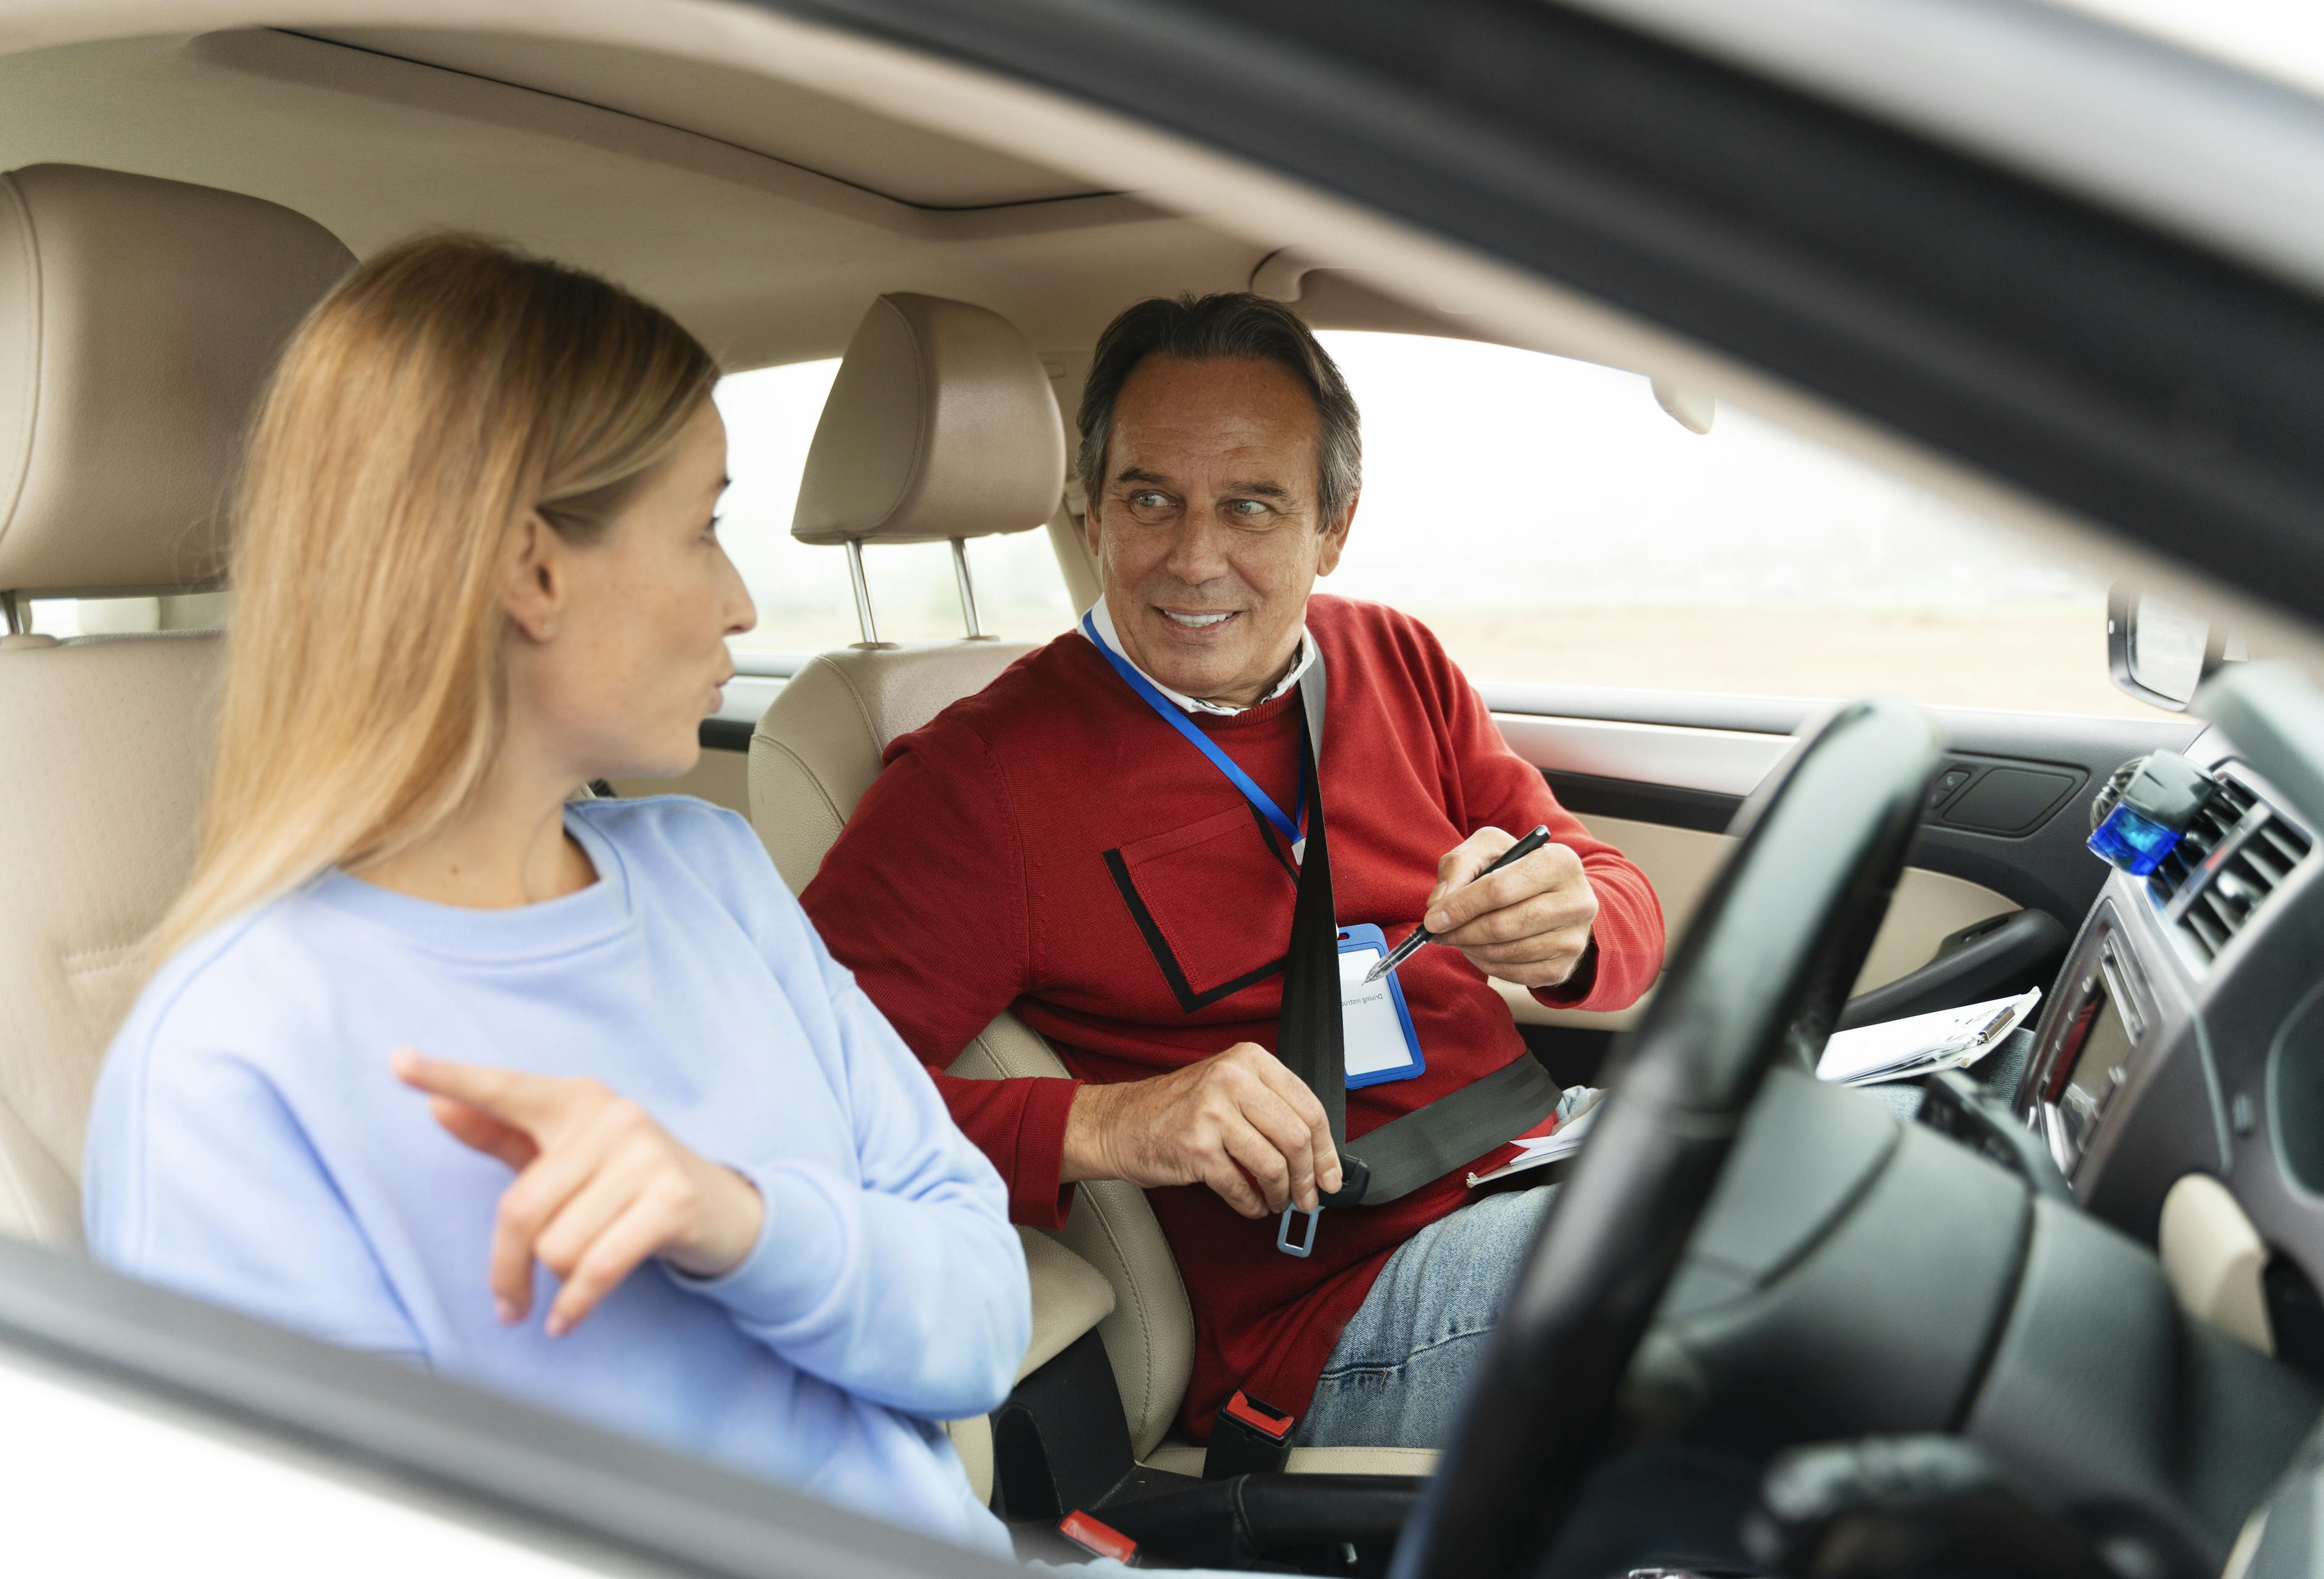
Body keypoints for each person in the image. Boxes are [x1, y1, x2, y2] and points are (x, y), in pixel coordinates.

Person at [81, 237, 1030, 1554]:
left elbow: (984, 1318)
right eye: (702, 528)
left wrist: (735, 1220)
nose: (743, 600)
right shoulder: (230, 1057)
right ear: (532, 569)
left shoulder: (716, 873)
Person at [801, 292, 1667, 1451]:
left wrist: (1578, 927)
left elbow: (1609, 888)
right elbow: (791, 1097)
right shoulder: (978, 784)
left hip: (1541, 1153)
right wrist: (1108, 1127)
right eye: (1150, 499)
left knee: (1914, 1158)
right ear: (1094, 515)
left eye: (1251, 507)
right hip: (1341, 1308)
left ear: (1333, 527)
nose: (1194, 559)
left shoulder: (1393, 659)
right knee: (1789, 1277)